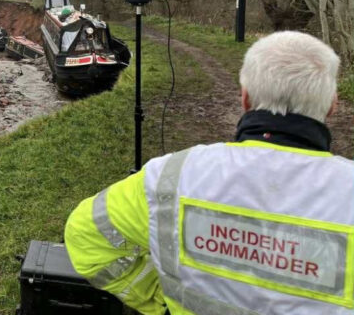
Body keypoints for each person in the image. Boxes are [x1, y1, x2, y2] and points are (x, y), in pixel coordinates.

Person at [64, 31, 353, 314]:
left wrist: (158, 299)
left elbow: (85, 234)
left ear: (245, 99)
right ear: (331, 106)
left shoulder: (170, 176)